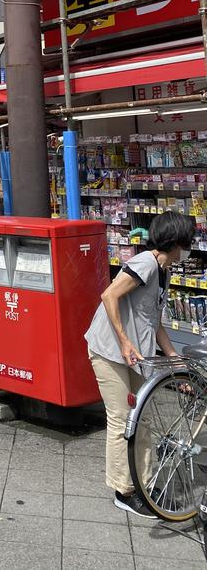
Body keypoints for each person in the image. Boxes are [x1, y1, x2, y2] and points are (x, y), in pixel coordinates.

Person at [84, 211, 194, 518]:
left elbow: (154, 322)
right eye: (187, 241)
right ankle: (124, 490)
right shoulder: (146, 262)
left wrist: (175, 363)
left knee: (142, 418)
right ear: (175, 242)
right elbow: (109, 296)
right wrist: (123, 340)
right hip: (109, 351)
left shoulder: (163, 270)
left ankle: (144, 484)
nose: (190, 247)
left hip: (134, 355)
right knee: (121, 419)